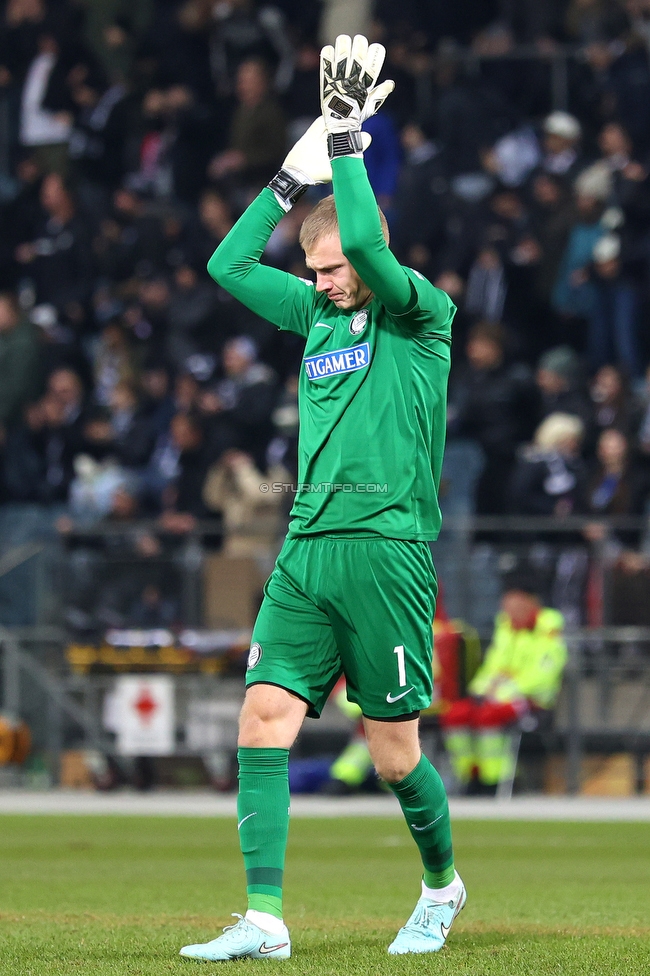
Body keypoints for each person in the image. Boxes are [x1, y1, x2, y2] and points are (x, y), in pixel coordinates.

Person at [179, 35, 465, 963]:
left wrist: (345, 141)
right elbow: (225, 268)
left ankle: (440, 885)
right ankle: (264, 916)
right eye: (322, 272)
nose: (334, 281)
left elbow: (373, 244)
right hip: (307, 546)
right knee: (262, 714)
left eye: (339, 269)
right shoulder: (315, 318)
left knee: (392, 754)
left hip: (387, 547)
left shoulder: (419, 314)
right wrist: (287, 174)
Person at [441, 581, 567, 794]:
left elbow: (543, 676)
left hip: (533, 702)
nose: (508, 611)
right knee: (455, 715)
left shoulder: (549, 631)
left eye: (514, 605)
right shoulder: (506, 628)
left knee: (488, 716)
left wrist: (501, 690)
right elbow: (492, 666)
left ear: (530, 603)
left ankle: (497, 779)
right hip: (497, 696)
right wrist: (481, 690)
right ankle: (470, 775)